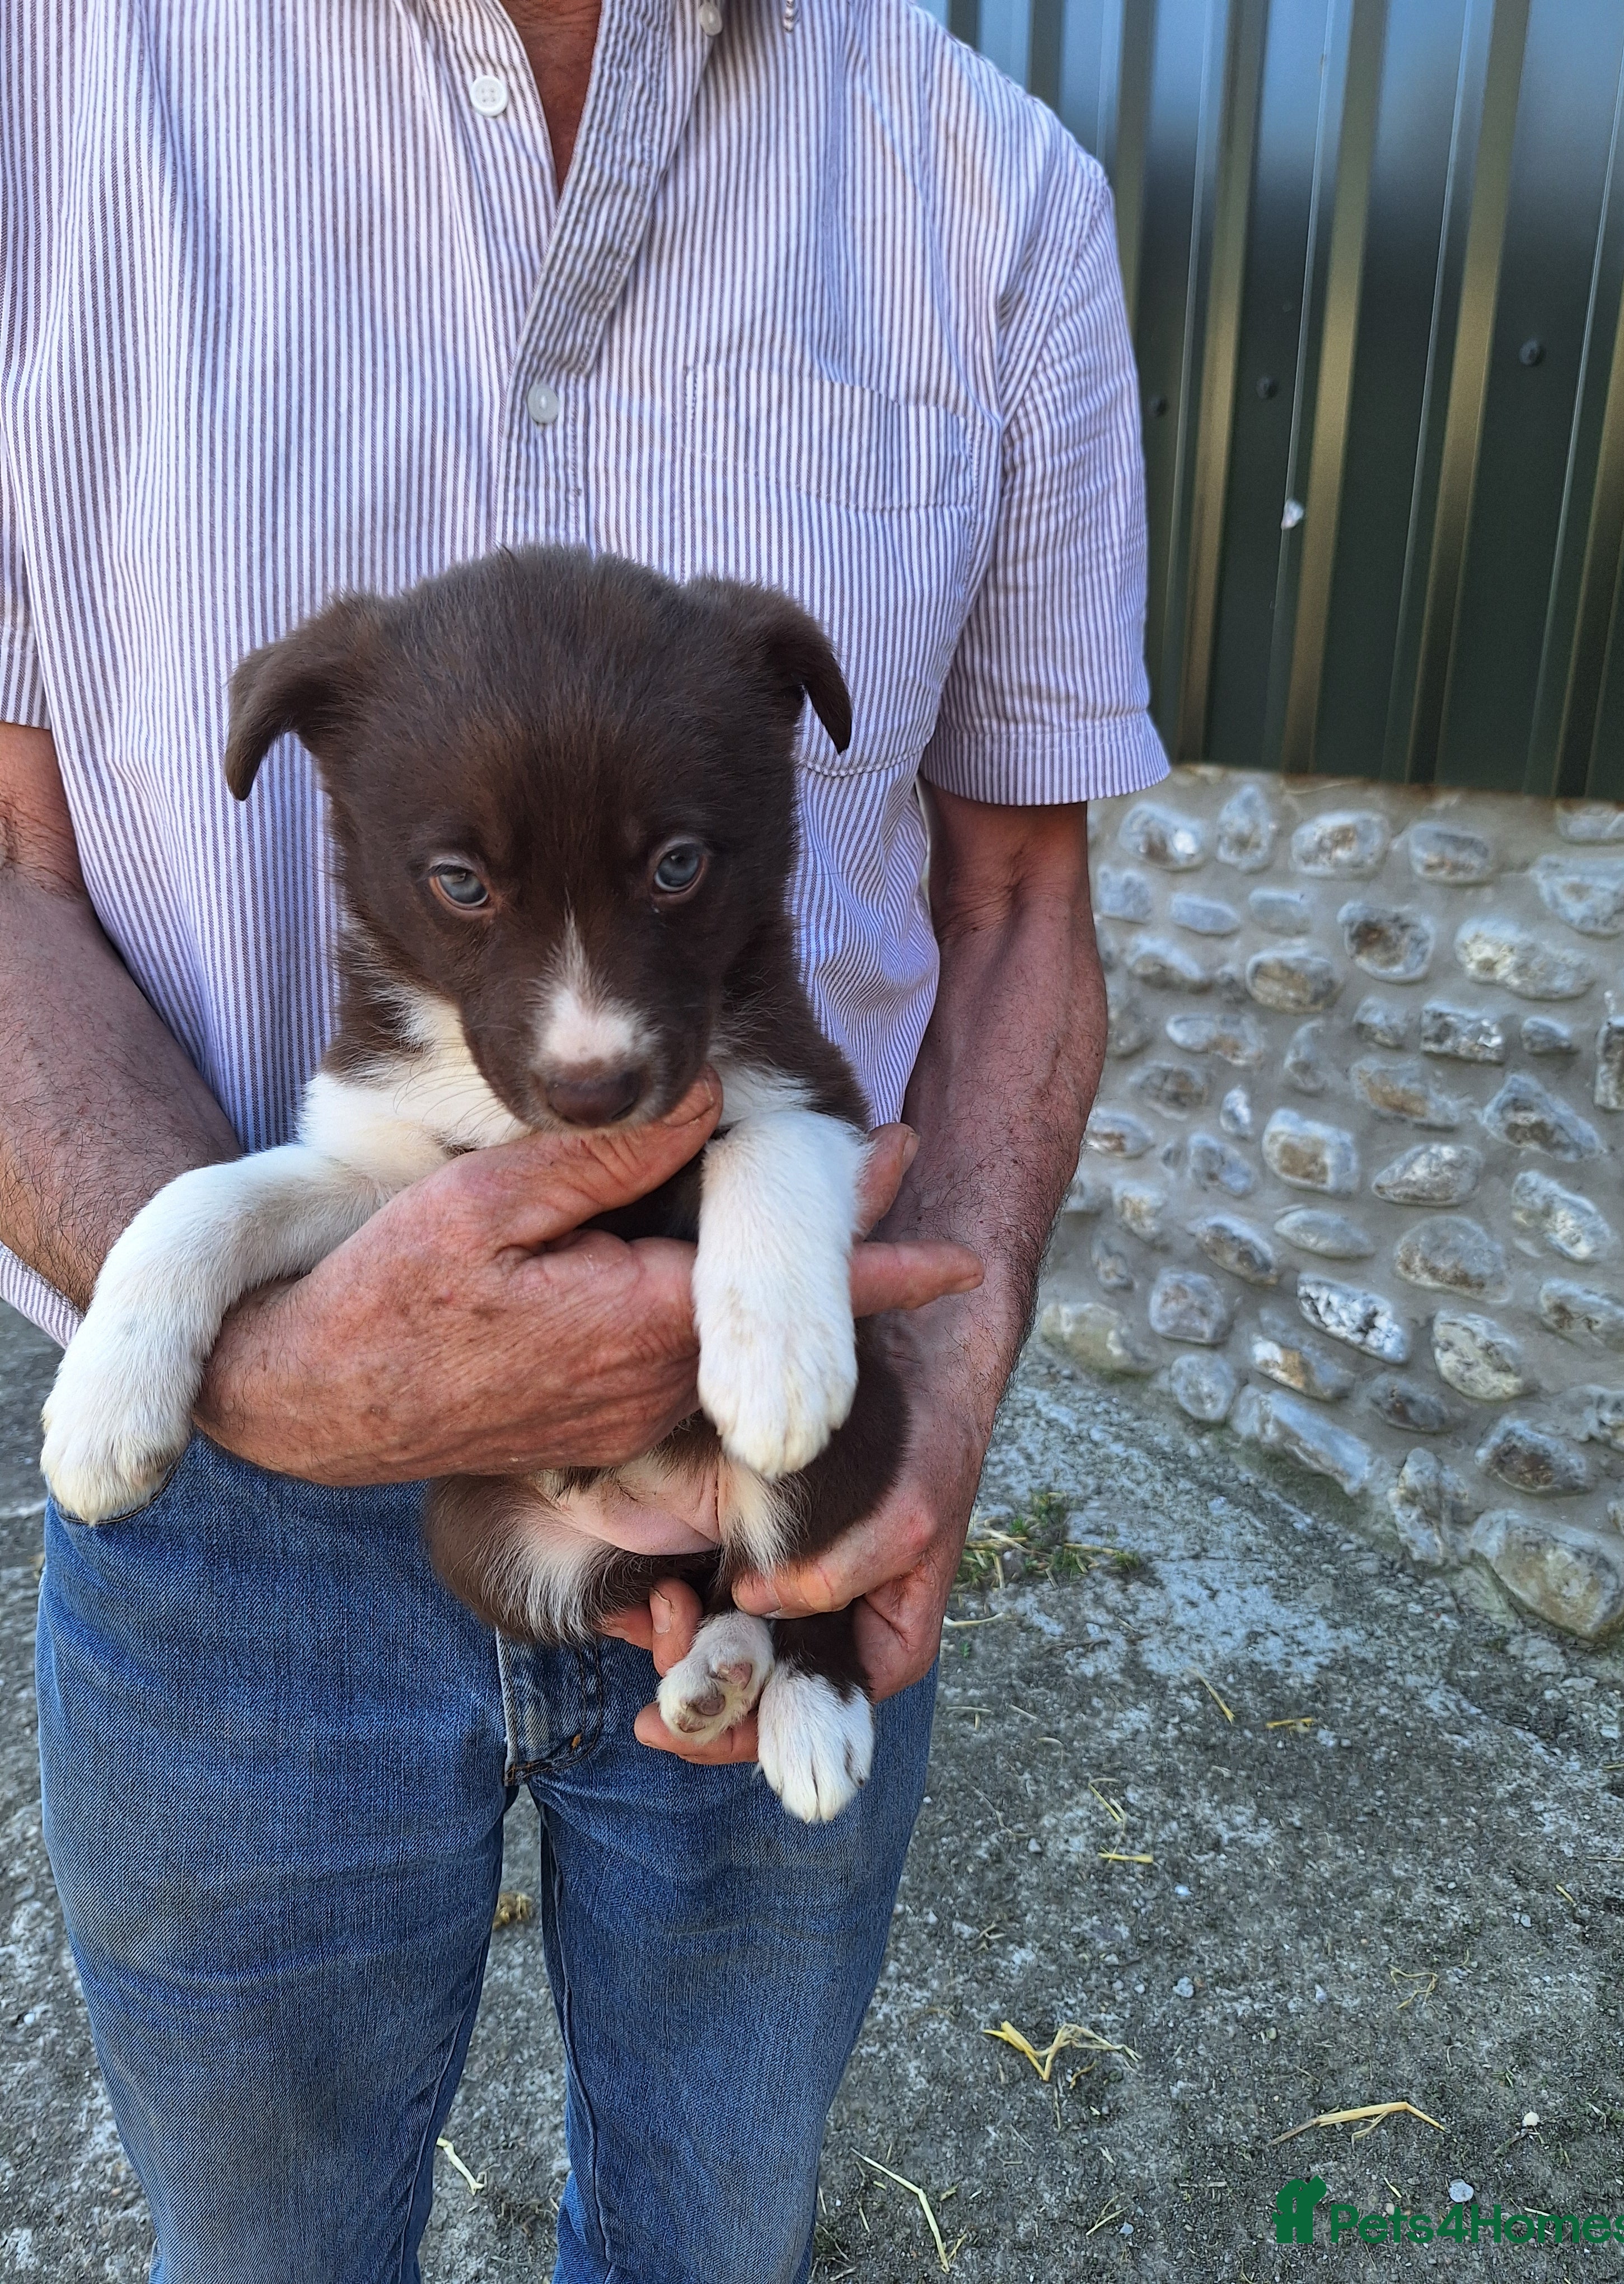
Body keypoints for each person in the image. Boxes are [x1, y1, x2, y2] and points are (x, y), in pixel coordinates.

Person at [0, 0, 1168, 2276]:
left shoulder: (993, 194)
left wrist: (943, 1375)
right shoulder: (40, 94)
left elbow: (1024, 902)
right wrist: (226, 1343)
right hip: (240, 1547)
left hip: (784, 1496)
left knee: (713, 2236)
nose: (585, 1034)